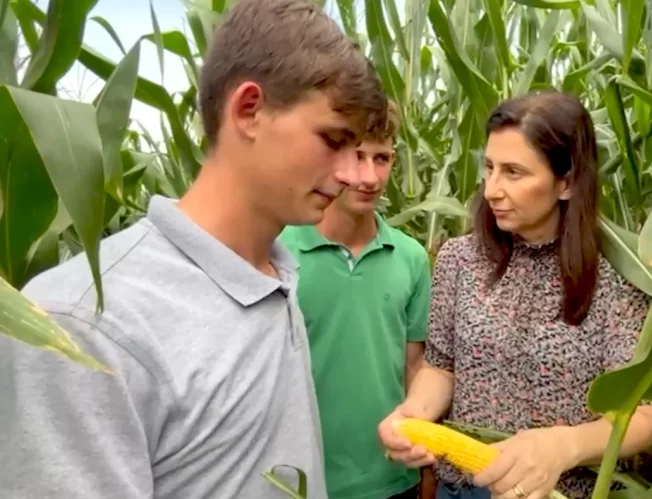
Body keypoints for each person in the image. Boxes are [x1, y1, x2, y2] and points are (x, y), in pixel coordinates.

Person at [0, 1, 386, 498]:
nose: (353, 175)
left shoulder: (275, 272)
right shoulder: (83, 325)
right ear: (249, 110)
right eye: (333, 141)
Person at [376, 90, 652, 499]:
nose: (491, 189)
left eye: (513, 172)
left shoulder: (620, 277)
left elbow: (642, 417)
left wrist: (562, 447)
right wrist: (412, 416)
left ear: (565, 183)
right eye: (489, 168)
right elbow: (441, 368)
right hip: (460, 490)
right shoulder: (458, 259)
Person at [278, 100, 431, 499]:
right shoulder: (276, 252)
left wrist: (426, 465)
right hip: (300, 481)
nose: (369, 177)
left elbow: (414, 367)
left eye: (382, 159)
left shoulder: (411, 257)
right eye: (357, 156)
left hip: (392, 481)